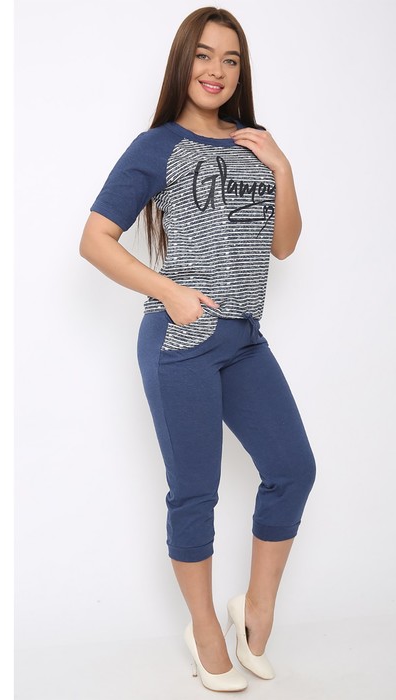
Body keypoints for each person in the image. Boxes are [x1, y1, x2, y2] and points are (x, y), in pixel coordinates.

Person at [79, 7, 316, 693]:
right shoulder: (158, 146)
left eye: (230, 59)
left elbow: (284, 244)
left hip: (243, 338)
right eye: (204, 55)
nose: (216, 70)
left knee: (292, 469)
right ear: (184, 62)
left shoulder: (254, 143)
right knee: (195, 492)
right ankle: (205, 629)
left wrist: (281, 165)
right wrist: (171, 292)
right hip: (181, 339)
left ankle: (256, 607)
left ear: (242, 72)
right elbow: (94, 239)